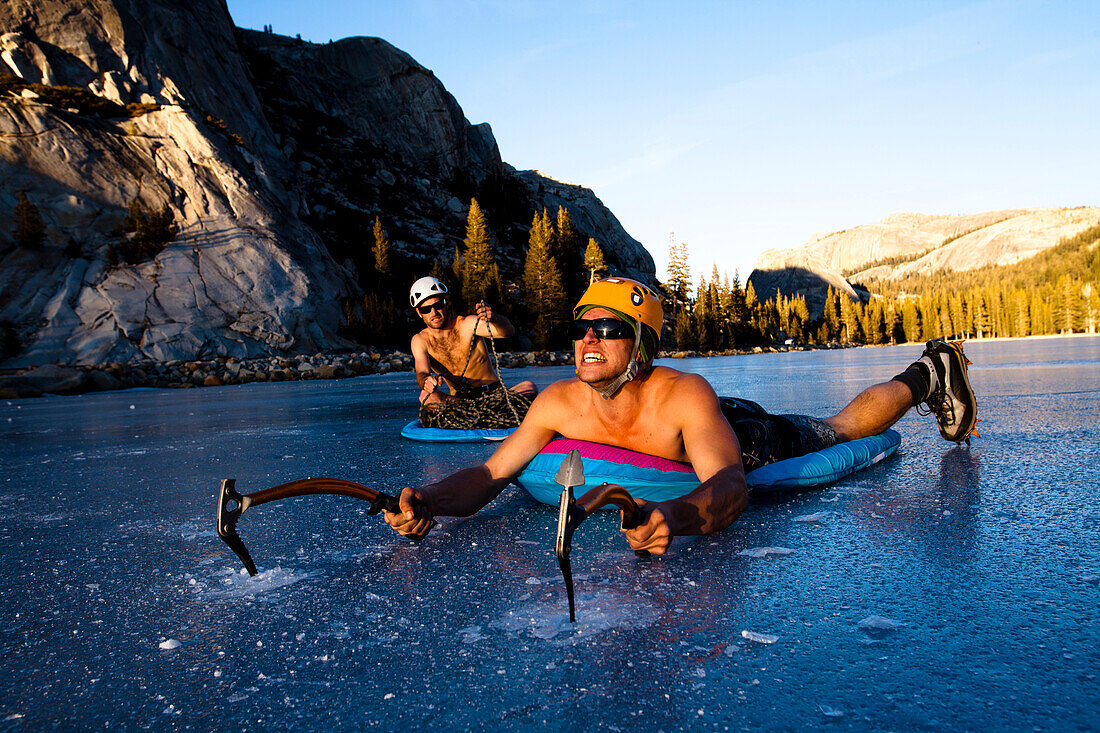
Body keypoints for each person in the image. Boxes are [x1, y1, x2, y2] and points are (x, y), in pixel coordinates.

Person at [387, 277, 978, 555]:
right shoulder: (558, 402)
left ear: (641, 344)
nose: (588, 341)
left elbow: (729, 484)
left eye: (608, 330)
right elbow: (491, 474)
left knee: (837, 429)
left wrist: (676, 514)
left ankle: (928, 372)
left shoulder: (683, 393)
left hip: (741, 434)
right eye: (581, 329)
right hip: (685, 437)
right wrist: (430, 502)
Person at [408, 276, 537, 405]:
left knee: (528, 387)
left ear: (445, 304)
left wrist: (495, 318)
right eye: (426, 309)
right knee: (426, 397)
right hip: (460, 399)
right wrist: (426, 381)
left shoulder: (467, 324)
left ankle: (483, 411)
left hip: (493, 393)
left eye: (438, 305)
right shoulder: (420, 341)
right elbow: (422, 372)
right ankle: (475, 412)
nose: (433, 312)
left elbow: (508, 332)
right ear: (419, 313)